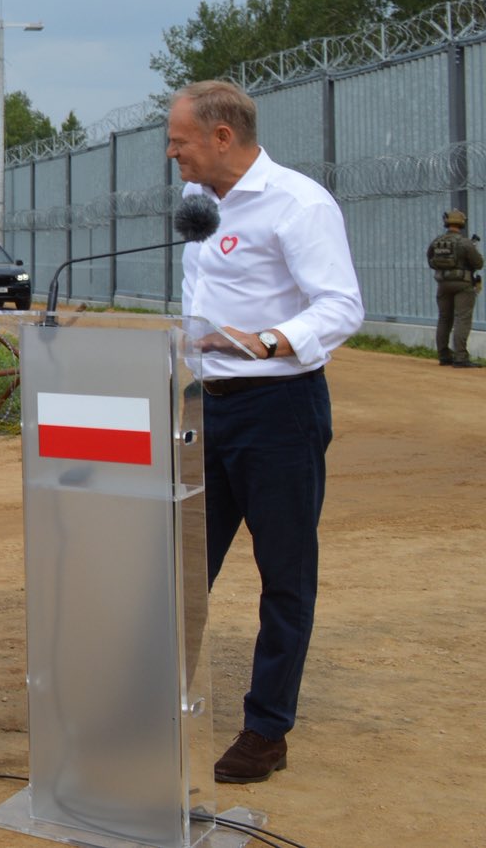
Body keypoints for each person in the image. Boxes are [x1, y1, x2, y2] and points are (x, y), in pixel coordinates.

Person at [166, 79, 363, 785]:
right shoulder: (200, 210)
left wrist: (271, 340)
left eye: (179, 141)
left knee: (283, 575)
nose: (172, 154)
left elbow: (341, 304)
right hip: (206, 409)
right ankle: (161, 702)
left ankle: (265, 728)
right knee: (184, 569)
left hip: (279, 412)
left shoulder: (298, 203)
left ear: (223, 136)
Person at [427, 209, 482, 368]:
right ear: (462, 223)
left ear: (447, 223)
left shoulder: (437, 241)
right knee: (462, 318)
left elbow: (430, 260)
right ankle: (460, 357)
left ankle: (444, 355)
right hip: (463, 285)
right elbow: (478, 264)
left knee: (444, 318)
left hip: (443, 284)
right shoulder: (465, 243)